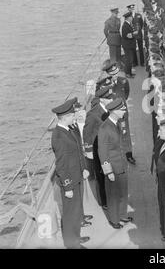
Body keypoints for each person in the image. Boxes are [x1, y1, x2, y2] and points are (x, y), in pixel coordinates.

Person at [51, 98, 90, 248]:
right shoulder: (59, 136)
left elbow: (78, 152)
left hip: (77, 176)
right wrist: (67, 187)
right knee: (70, 215)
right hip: (70, 181)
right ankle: (71, 244)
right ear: (66, 117)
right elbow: (61, 165)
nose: (75, 117)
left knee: (75, 212)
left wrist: (84, 169)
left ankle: (76, 237)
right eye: (73, 115)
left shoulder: (68, 130)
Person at [98, 98, 132, 229]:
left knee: (123, 192)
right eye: (122, 109)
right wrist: (108, 171)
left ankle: (122, 215)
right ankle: (114, 219)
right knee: (113, 195)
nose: (124, 111)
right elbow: (102, 152)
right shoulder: (104, 128)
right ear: (115, 111)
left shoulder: (117, 123)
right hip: (113, 167)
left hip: (121, 164)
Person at [83, 86, 112, 209]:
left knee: (110, 173)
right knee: (100, 176)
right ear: (102, 100)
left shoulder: (110, 110)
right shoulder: (93, 113)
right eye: (109, 97)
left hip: (109, 148)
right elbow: (87, 133)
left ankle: (111, 197)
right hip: (97, 149)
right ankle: (103, 201)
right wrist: (89, 151)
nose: (111, 98)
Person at [121, 11, 137, 78]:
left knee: (130, 59)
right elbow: (128, 36)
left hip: (130, 45)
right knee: (128, 60)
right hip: (127, 46)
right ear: (128, 18)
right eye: (131, 17)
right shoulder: (125, 26)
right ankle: (127, 74)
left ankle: (129, 72)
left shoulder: (128, 24)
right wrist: (134, 33)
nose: (132, 18)